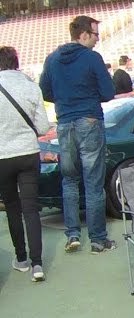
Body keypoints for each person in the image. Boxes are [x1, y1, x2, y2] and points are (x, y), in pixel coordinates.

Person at [40, 15, 116, 254]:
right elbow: (108, 92)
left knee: (69, 181)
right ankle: (98, 239)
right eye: (95, 35)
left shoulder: (52, 59)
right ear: (83, 34)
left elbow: (45, 91)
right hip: (89, 120)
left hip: (64, 123)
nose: (97, 40)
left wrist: (66, 100)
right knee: (93, 183)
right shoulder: (92, 59)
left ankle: (72, 234)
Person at [0, 46, 51, 281]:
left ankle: (21, 258)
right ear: (16, 62)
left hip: (2, 155)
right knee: (31, 209)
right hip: (28, 152)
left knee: (12, 207)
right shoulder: (30, 86)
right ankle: (37, 264)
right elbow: (42, 127)